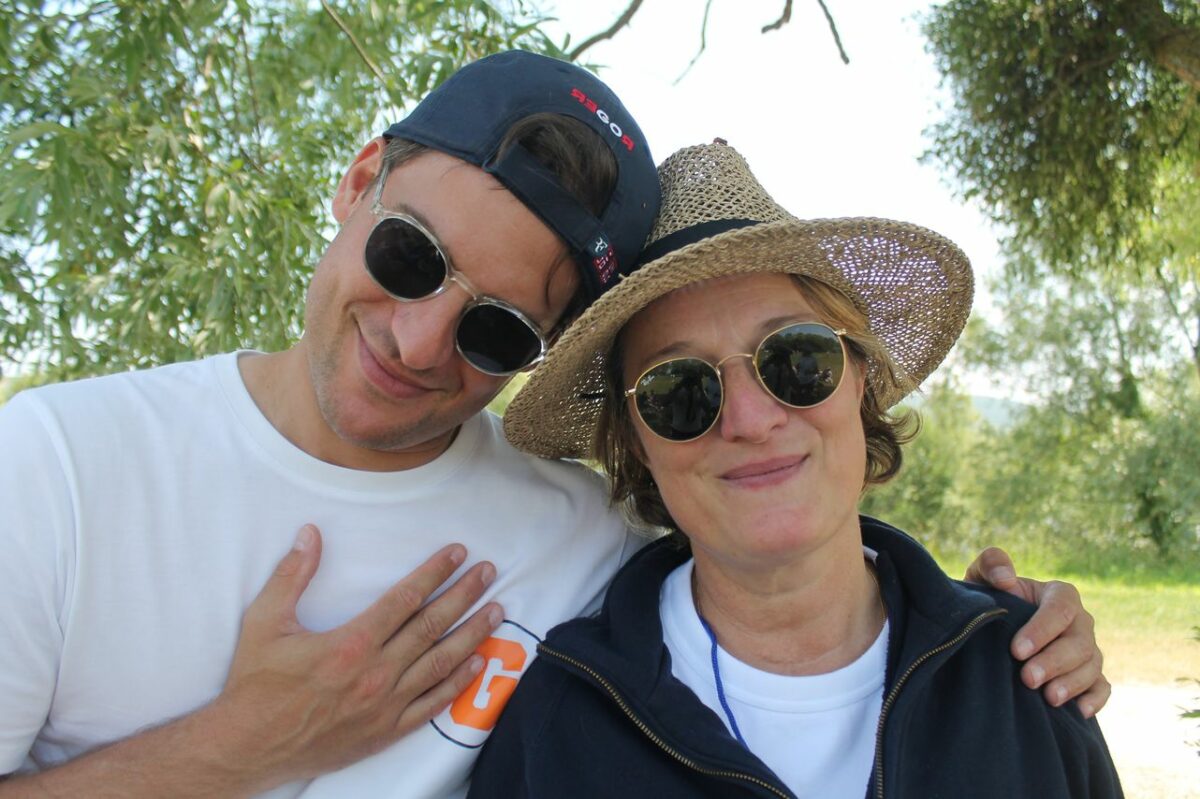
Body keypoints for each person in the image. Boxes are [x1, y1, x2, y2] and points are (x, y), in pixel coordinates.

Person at [0, 52, 1102, 797]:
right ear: (360, 178)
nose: (420, 340)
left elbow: (785, 550)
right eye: (409, 256)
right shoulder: (55, 467)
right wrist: (233, 748)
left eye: (496, 330)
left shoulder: (582, 543)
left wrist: (998, 624)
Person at [476, 141, 1122, 797]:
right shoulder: (555, 727)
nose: (751, 420)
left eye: (795, 359)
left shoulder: (1027, 673)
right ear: (638, 441)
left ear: (860, 380)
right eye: (680, 390)